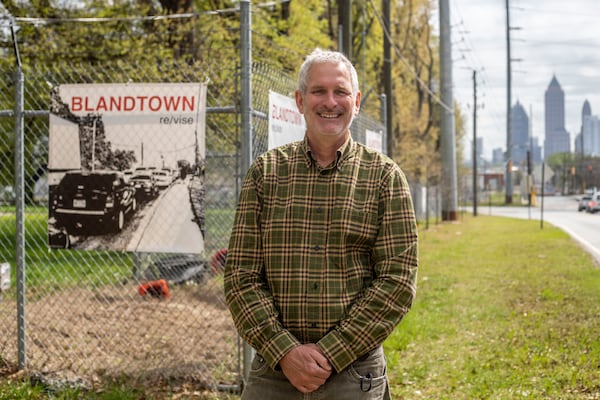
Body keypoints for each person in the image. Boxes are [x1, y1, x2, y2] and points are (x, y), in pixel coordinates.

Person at [224, 48, 418, 399]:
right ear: (300, 100)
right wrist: (284, 350)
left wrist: (332, 352)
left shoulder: (385, 178)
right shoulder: (265, 174)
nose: (330, 102)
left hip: (353, 371)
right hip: (274, 371)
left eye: (340, 91)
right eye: (319, 91)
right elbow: (241, 277)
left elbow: (397, 281)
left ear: (356, 101)